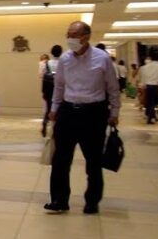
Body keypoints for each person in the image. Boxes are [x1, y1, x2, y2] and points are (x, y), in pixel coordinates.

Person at [44, 21, 120, 215]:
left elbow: (113, 88)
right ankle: (59, 199)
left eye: (73, 35)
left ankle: (92, 200)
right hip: (68, 112)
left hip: (94, 113)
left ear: (86, 36)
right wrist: (54, 109)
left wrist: (114, 113)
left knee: (93, 160)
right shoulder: (65, 59)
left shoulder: (102, 59)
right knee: (61, 158)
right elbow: (59, 86)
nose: (70, 39)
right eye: (68, 35)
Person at [138, 48, 158, 124]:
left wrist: (142, 90)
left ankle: (150, 115)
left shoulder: (143, 67)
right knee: (154, 102)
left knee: (149, 102)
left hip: (147, 86)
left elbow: (143, 80)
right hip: (157, 87)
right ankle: (152, 116)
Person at [40, 45, 62, 137]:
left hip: (49, 90)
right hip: (59, 89)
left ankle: (45, 125)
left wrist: (44, 92)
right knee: (59, 109)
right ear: (60, 53)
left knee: (49, 109)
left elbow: (43, 77)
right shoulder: (62, 63)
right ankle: (56, 128)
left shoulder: (47, 63)